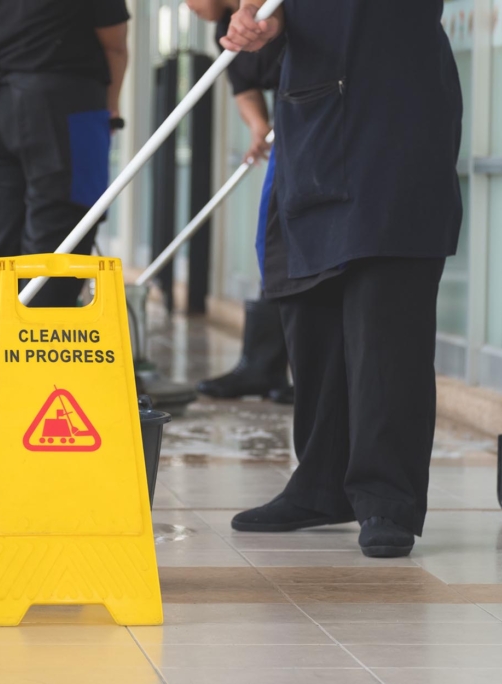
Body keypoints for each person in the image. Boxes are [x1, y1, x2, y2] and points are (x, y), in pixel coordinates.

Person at [222, 1, 463, 558]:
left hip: (397, 110)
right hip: (314, 109)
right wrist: (255, 22)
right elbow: (270, 8)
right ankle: (321, 484)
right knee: (309, 304)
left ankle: (385, 498)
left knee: (386, 314)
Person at [0, 0, 130, 342]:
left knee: (2, 242)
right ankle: (38, 371)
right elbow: (115, 44)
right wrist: (111, 106)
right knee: (56, 247)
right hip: (66, 106)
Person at [187, 0, 293, 405]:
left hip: (317, 120)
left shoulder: (277, 9)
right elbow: (244, 87)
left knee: (283, 239)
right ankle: (265, 364)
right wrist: (259, 127)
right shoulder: (224, 32)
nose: (187, 7)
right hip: (288, 126)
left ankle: (293, 368)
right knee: (274, 244)